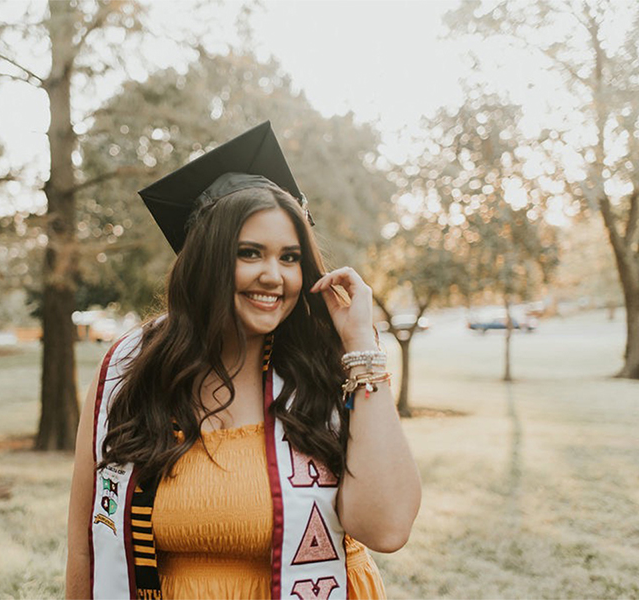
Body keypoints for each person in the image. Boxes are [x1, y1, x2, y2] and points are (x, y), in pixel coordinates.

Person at [66, 122, 421, 600]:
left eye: (290, 257)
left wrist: (361, 347)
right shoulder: (129, 371)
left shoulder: (325, 369)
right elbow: (87, 546)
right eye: (249, 253)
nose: (274, 276)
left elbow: (387, 529)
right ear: (206, 259)